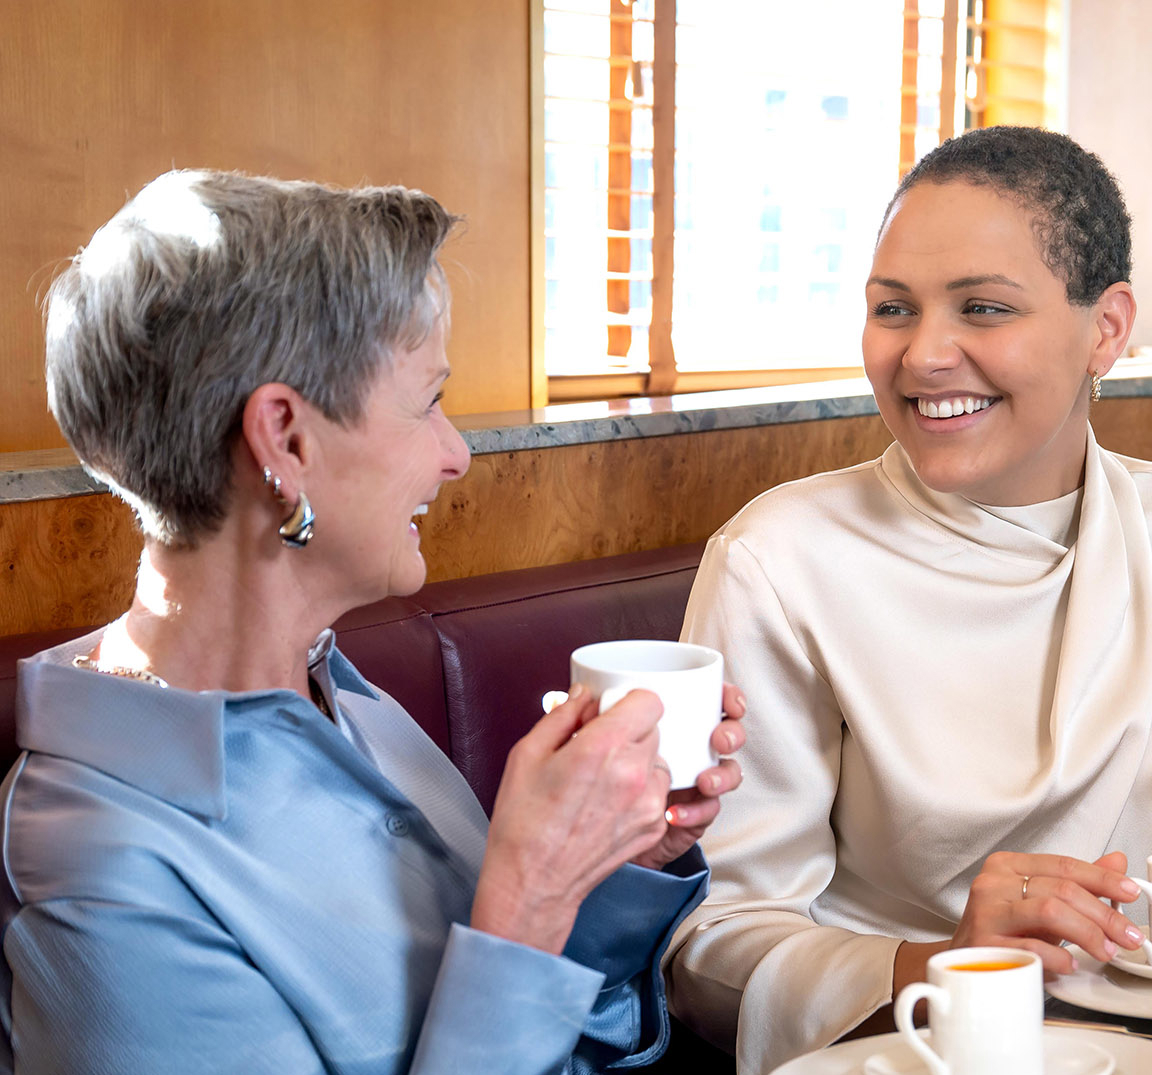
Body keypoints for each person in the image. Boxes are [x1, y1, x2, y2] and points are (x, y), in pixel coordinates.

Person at [5, 170, 746, 1074]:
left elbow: (572, 1042)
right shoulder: (99, 871)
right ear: (286, 440)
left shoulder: (348, 703)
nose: (457, 454)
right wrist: (525, 898)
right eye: (428, 399)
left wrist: (608, 861)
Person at [667, 127, 1152, 1072]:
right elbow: (709, 952)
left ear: (1106, 327)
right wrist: (938, 968)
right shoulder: (778, 561)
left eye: (982, 307)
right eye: (892, 309)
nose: (925, 354)